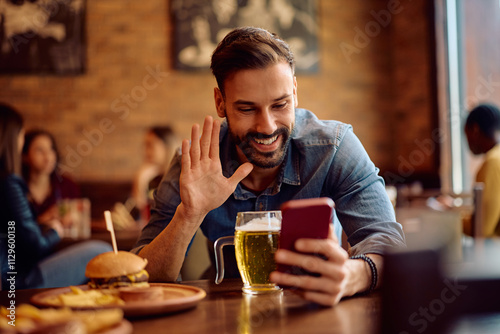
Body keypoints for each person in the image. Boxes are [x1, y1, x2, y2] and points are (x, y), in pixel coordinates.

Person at [132, 27, 405, 306]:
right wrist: (189, 214)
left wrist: (353, 275)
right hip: (226, 312)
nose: (268, 126)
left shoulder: (333, 149)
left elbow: (388, 245)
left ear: (295, 93)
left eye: (280, 104)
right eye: (247, 109)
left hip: (316, 312)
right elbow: (144, 277)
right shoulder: (194, 165)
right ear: (220, 103)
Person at [0, 103, 112, 289]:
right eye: (20, 133)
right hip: (16, 280)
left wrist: (43, 224)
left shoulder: (64, 184)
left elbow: (16, 233)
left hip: (12, 272)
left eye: (50, 149)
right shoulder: (9, 183)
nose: (48, 156)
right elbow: (34, 246)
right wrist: (56, 230)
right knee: (102, 250)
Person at [21, 129, 80, 224]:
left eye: (51, 149)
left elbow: (78, 222)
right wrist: (43, 220)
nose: (48, 157)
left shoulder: (67, 186)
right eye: (39, 150)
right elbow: (12, 230)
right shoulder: (16, 188)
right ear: (25, 156)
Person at [464, 103, 500, 236]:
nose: (467, 142)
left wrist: (447, 215)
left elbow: (482, 228)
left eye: (466, 134)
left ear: (475, 130)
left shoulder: (493, 162)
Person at [131, 126, 179, 221]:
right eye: (145, 146)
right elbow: (137, 219)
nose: (145, 151)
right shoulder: (152, 178)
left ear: (167, 147)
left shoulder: (178, 179)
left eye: (150, 145)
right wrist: (140, 181)